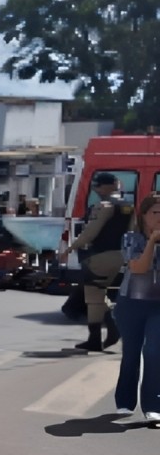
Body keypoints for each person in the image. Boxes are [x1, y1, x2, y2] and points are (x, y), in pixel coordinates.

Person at [60, 172, 128, 351]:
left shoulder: (104, 206)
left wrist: (69, 249)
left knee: (93, 297)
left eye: (98, 186)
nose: (96, 190)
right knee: (97, 294)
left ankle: (98, 337)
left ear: (108, 186)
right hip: (119, 255)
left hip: (100, 255)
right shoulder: (127, 206)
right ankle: (108, 332)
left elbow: (90, 233)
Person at [112, 194, 160, 420]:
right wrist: (152, 241)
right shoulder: (132, 238)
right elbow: (139, 268)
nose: (159, 218)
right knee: (131, 354)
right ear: (144, 216)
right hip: (131, 303)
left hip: (157, 307)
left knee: (154, 353)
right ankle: (125, 401)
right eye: (155, 213)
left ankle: (153, 406)